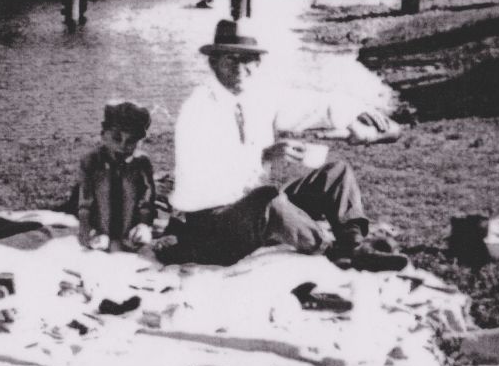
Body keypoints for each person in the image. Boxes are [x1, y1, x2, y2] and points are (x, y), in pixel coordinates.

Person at [157, 19, 407, 271]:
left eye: (248, 59)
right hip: (213, 222)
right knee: (269, 199)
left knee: (335, 174)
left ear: (258, 63)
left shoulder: (258, 98)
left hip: (253, 211)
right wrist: (263, 156)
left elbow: (317, 105)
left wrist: (361, 113)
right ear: (213, 62)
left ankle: (352, 246)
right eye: (230, 59)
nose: (240, 67)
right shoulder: (197, 109)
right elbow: (203, 175)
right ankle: (327, 249)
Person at [72, 101, 157, 251]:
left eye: (130, 141)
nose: (123, 146)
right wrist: (85, 227)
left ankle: (128, 233)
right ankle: (102, 232)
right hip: (99, 224)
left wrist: (143, 224)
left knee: (138, 243)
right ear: (104, 136)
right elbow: (85, 201)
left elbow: (147, 200)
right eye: (117, 138)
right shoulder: (91, 161)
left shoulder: (141, 162)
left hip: (130, 225)